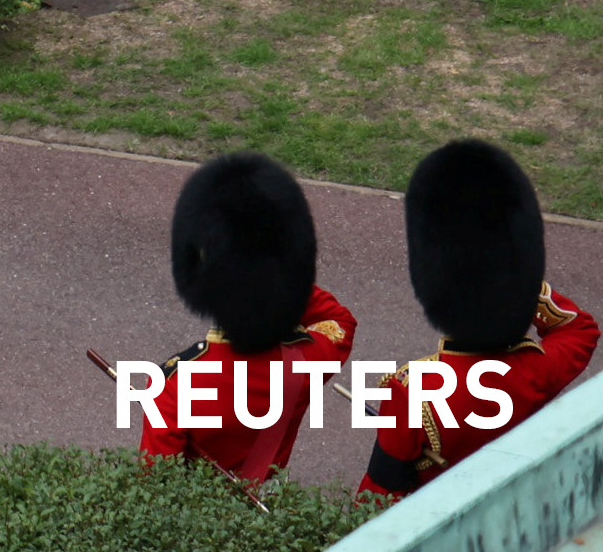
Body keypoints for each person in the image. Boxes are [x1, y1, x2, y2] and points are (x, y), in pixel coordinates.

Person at [364, 139, 600, 497]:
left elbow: (373, 502)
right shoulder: (539, 369)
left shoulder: (412, 393)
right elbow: (577, 326)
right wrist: (516, 276)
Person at [134, 153, 355, 489]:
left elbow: (152, 490)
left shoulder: (172, 388)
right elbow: (338, 320)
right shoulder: (310, 360)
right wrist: (276, 273)